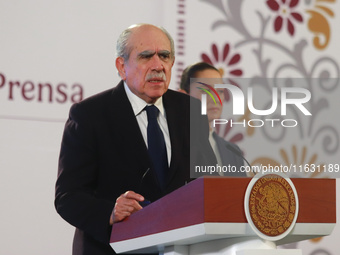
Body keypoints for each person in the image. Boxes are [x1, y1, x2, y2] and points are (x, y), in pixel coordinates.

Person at [54, 24, 215, 255]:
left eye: (165, 56)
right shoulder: (90, 115)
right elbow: (67, 197)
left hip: (179, 249)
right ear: (122, 66)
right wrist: (110, 212)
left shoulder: (190, 110)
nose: (157, 65)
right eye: (146, 56)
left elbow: (206, 182)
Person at [180, 62, 245, 176]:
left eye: (220, 91)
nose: (215, 98)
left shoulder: (233, 151)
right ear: (184, 96)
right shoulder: (173, 144)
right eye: (206, 91)